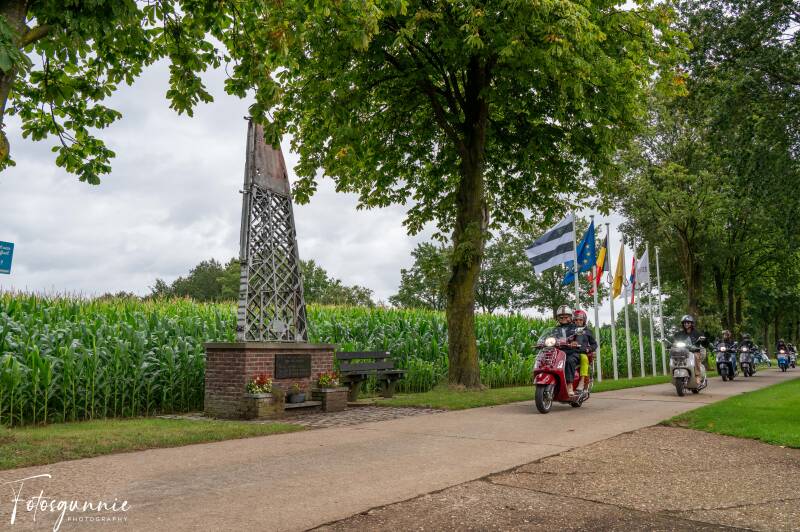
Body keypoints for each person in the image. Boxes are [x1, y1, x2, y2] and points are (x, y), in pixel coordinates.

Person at [552, 304, 580, 397]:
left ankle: (569, 385)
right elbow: (550, 338)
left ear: (570, 317)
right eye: (561, 317)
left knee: (569, 361)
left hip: (572, 352)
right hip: (558, 353)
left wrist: (576, 342)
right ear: (557, 318)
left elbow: (581, 338)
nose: (563, 318)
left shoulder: (575, 328)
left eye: (566, 316)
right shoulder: (555, 329)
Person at [672, 314, 706, 385]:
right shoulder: (679, 334)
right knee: (673, 354)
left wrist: (701, 341)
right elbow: (674, 340)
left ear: (691, 323)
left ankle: (697, 376)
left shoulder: (697, 333)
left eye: (688, 322)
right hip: (683, 352)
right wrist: (671, 344)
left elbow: (703, 340)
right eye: (684, 323)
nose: (686, 324)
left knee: (696, 356)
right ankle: (674, 374)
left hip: (694, 351)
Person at [572, 309, 597, 393]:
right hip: (570, 352)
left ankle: (582, 382)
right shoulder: (570, 330)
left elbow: (594, 344)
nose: (578, 321)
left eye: (580, 320)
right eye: (576, 320)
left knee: (584, 359)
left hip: (582, 352)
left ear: (584, 320)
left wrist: (589, 349)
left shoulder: (588, 331)